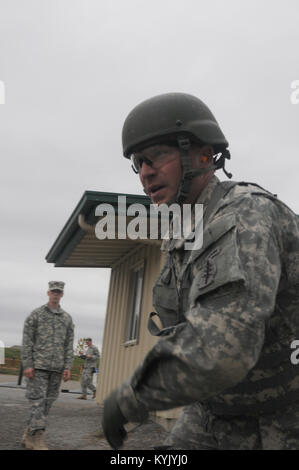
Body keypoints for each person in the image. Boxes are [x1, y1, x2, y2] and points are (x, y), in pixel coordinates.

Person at [101, 92, 299, 450]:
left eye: (158, 155)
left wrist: (132, 397)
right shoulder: (182, 235)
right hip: (219, 408)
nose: (146, 171)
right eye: (138, 161)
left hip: (284, 415)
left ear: (202, 155)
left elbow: (222, 351)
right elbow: (186, 332)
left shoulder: (243, 215)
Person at [21, 281, 74, 450]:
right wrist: (28, 364)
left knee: (47, 404)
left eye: (59, 292)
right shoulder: (35, 315)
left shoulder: (66, 318)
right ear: (48, 293)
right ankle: (37, 439)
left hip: (57, 368)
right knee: (37, 402)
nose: (56, 294)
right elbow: (27, 341)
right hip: (38, 367)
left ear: (62, 294)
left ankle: (28, 434)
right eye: (53, 291)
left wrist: (67, 366)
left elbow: (69, 344)